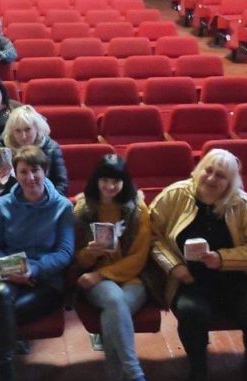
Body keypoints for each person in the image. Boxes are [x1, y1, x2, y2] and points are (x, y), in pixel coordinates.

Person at [148, 148, 247, 381]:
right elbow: (151, 236)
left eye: (221, 176)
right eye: (209, 170)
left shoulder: (242, 203)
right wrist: (174, 267)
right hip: (189, 278)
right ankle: (198, 369)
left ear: (231, 182)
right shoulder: (174, 195)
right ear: (199, 170)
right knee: (191, 313)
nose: (212, 178)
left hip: (237, 276)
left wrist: (223, 258)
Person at [0, 145, 75, 381]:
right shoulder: (3, 205)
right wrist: (10, 267)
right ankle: (7, 370)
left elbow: (65, 252)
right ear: (15, 173)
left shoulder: (62, 206)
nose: (30, 177)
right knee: (1, 294)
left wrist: (34, 268)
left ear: (45, 171)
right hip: (9, 274)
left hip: (46, 280)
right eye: (23, 172)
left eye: (35, 171)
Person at [72, 155, 152, 381]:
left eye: (116, 181)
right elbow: (77, 259)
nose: (109, 186)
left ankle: (115, 375)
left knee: (115, 312)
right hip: (96, 280)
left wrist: (101, 274)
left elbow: (139, 257)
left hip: (133, 278)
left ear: (125, 182)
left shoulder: (137, 210)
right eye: (104, 180)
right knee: (115, 301)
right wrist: (90, 254)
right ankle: (134, 373)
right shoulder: (83, 210)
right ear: (96, 180)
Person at [0, 105, 67, 197]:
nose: (23, 136)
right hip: (9, 202)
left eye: (27, 130)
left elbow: (61, 184)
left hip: (45, 201)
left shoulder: (51, 147)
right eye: (18, 131)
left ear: (37, 129)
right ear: (12, 132)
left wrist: (48, 201)